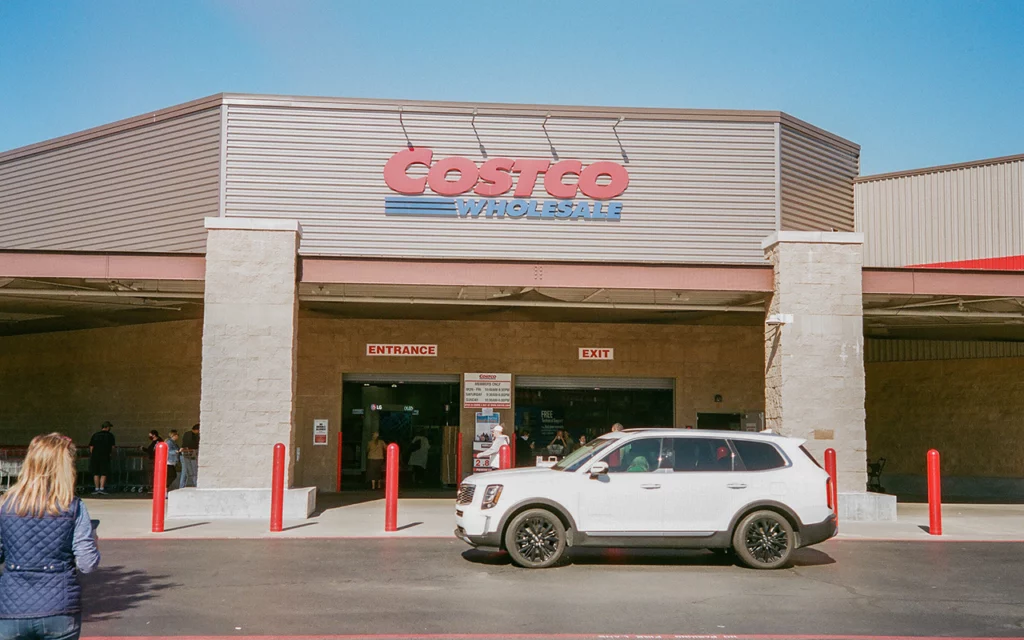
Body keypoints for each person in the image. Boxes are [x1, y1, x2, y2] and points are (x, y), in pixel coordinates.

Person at [0, 433, 100, 639]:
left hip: (11, 609)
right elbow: (87, 564)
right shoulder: (74, 507)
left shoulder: (5, 505)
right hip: (59, 608)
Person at [88, 421, 116, 494]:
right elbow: (112, 447)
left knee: (96, 472)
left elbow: (91, 447)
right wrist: (111, 454)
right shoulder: (110, 435)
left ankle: (96, 488)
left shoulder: (95, 435)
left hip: (95, 456)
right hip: (105, 456)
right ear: (107, 427)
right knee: (104, 472)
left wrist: (93, 454)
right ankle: (102, 488)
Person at [179, 424, 200, 488]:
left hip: (190, 455)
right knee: (188, 472)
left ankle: (183, 486)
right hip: (187, 454)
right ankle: (183, 486)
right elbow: (188, 444)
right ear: (196, 430)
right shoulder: (189, 435)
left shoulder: (188, 434)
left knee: (188, 472)